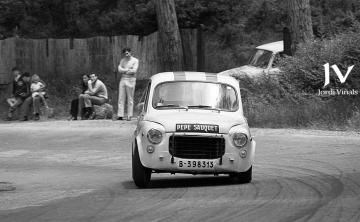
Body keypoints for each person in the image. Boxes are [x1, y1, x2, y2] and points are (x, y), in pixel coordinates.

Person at [117, 47, 139, 121]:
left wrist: (124, 70)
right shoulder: (122, 60)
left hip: (131, 79)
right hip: (123, 79)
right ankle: (120, 115)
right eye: (125, 53)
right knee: (121, 97)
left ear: (130, 52)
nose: (126, 54)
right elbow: (119, 69)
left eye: (127, 53)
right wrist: (126, 70)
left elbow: (134, 70)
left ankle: (129, 115)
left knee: (130, 98)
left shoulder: (135, 60)